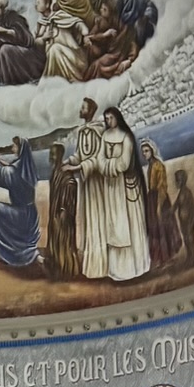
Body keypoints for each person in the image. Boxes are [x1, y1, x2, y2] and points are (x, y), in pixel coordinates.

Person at [99, 106, 151, 282]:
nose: (109, 121)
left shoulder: (126, 137)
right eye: (106, 118)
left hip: (125, 188)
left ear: (117, 118)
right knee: (114, 228)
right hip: (111, 188)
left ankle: (135, 267)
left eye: (111, 118)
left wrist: (109, 165)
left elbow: (124, 162)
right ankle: (118, 270)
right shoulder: (105, 136)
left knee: (129, 226)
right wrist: (108, 166)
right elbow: (100, 160)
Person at [0, 139, 41, 270]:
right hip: (31, 214)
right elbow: (12, 167)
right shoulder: (27, 166)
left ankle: (3, 251)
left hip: (19, 214)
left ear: (20, 149)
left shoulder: (12, 172)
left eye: (14, 146)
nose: (12, 148)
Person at [73, 98, 110, 280]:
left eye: (83, 107)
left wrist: (79, 167)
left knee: (98, 218)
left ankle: (102, 265)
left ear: (90, 111)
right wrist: (67, 163)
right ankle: (92, 264)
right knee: (89, 219)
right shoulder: (82, 132)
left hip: (98, 184)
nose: (80, 110)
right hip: (87, 184)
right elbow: (79, 155)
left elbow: (99, 158)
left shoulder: (98, 130)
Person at [0, 0, 45, 86]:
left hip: (25, 56)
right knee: (4, 50)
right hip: (1, 62)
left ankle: (12, 82)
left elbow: (27, 39)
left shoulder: (12, 16)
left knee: (5, 49)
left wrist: (5, 31)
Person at [44, 142, 81, 278]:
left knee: (64, 240)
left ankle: (67, 269)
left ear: (59, 155)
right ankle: (56, 267)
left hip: (63, 213)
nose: (51, 157)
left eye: (53, 154)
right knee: (55, 239)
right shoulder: (55, 172)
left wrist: (64, 209)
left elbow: (71, 183)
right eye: (51, 154)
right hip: (55, 213)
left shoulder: (65, 172)